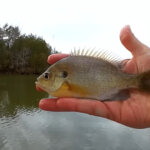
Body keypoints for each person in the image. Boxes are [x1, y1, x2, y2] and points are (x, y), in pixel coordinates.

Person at [37, 26, 150, 129]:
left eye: (47, 76)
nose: (43, 79)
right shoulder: (63, 73)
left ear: (62, 75)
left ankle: (139, 82)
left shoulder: (65, 77)